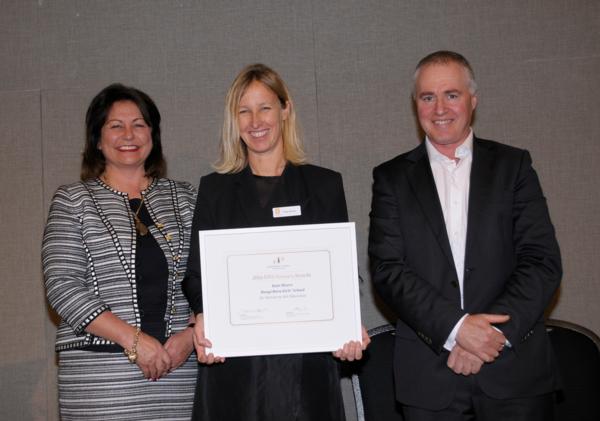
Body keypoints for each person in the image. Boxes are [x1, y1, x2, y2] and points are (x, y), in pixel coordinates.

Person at [368, 51, 562, 420]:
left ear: (472, 100)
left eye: (452, 95)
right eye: (428, 97)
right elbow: (388, 270)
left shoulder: (514, 166)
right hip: (429, 378)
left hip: (514, 372)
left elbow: (542, 261)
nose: (440, 108)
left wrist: (485, 337)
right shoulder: (391, 178)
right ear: (416, 105)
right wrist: (457, 330)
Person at [183, 63, 370, 421]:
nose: (255, 120)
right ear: (233, 120)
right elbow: (196, 275)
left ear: (285, 110)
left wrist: (346, 323)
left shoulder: (324, 185)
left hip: (305, 371)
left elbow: (339, 273)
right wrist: (206, 316)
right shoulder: (215, 190)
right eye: (244, 111)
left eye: (265, 107)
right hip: (234, 370)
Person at [42, 83, 198, 420]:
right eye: (116, 125)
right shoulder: (73, 201)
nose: (129, 134)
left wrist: (191, 336)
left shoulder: (186, 198)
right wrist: (135, 340)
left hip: (180, 374)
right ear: (97, 139)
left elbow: (212, 278)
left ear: (153, 136)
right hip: (100, 379)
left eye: (139, 124)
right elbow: (62, 286)